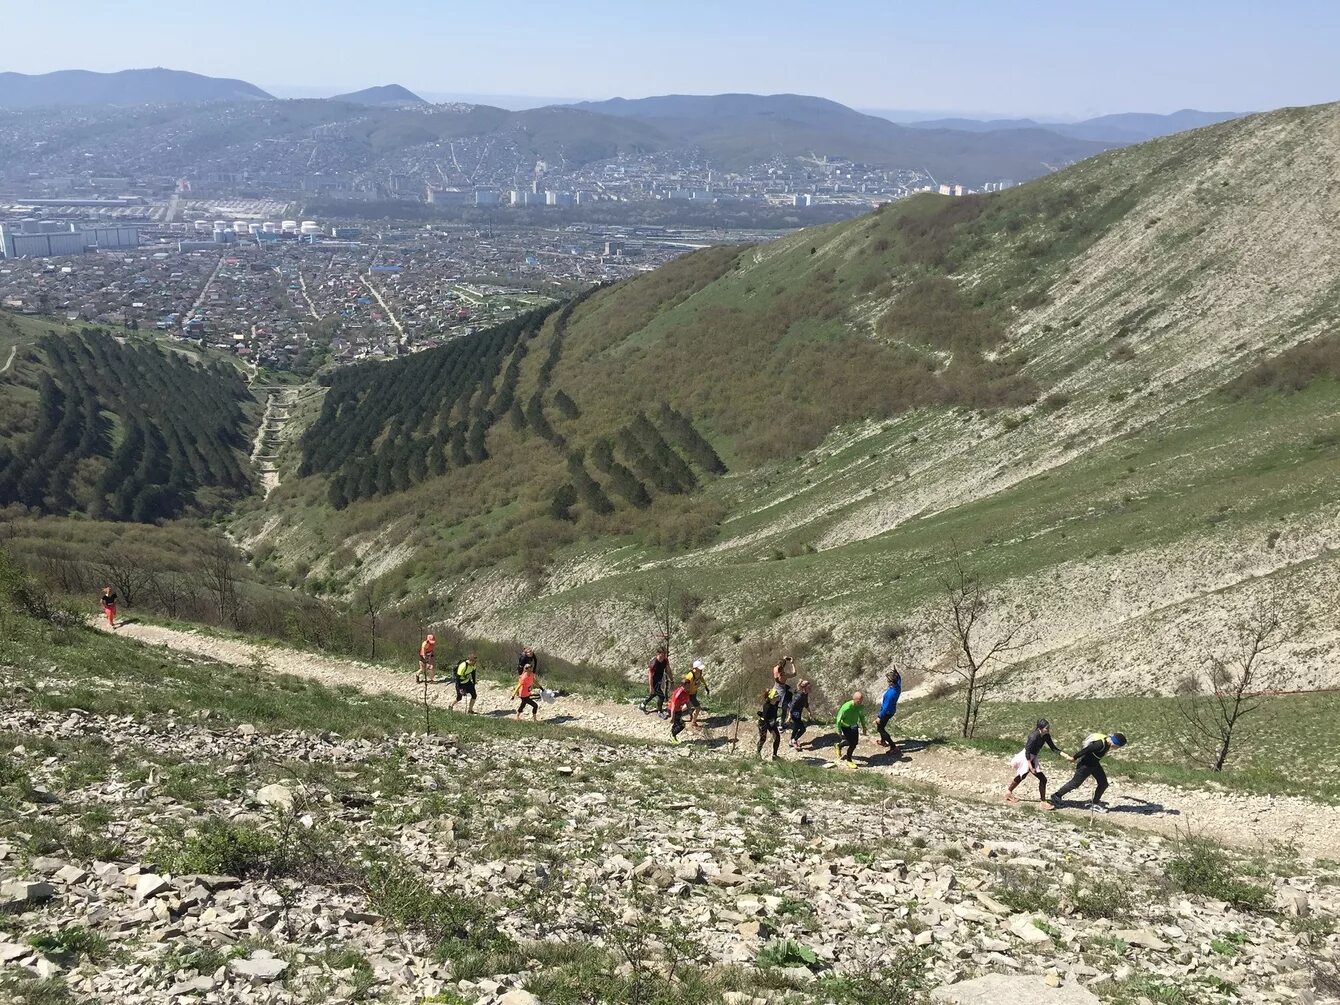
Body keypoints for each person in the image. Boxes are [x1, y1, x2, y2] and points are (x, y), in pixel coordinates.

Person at [1046, 732, 1128, 811]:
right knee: (1075, 783)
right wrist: (1074, 758)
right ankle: (1056, 796)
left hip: (1094, 765)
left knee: (1103, 783)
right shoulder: (1100, 745)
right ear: (1115, 743)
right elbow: (1085, 750)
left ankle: (1095, 803)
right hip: (1085, 766)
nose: (1117, 749)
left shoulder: (1108, 743)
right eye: (1118, 747)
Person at [1006, 718, 1073, 804]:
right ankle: (1043, 801)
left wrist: (1066, 756)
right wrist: (1030, 766)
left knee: (1022, 776)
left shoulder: (1046, 736)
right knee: (1042, 779)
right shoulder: (1033, 736)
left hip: (1032, 757)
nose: (1048, 729)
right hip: (1027, 757)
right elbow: (1028, 751)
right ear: (1040, 728)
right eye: (1046, 728)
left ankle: (1008, 792)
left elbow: (1053, 748)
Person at [834, 691, 867, 767]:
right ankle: (849, 760)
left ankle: (839, 745)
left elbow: (862, 716)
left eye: (861, 700)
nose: (860, 702)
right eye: (859, 700)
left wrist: (864, 727)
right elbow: (838, 718)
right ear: (854, 699)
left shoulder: (860, 706)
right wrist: (838, 729)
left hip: (854, 725)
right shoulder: (846, 707)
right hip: (845, 726)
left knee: (854, 743)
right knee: (851, 743)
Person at [640, 645, 670, 717]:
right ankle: (660, 711)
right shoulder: (654, 663)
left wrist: (671, 679)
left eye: (665, 653)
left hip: (659, 680)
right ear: (658, 653)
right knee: (662, 697)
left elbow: (668, 669)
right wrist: (651, 687)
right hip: (654, 682)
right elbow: (650, 676)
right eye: (662, 653)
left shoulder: (665, 660)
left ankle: (642, 705)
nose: (664, 655)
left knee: (653, 694)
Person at [876, 670, 902, 755]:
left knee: (880, 729)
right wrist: (896, 672)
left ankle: (893, 746)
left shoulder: (890, 694)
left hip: (887, 712)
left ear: (891, 682)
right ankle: (882, 741)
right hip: (891, 710)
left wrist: (879, 717)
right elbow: (899, 678)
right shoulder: (897, 686)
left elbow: (886, 707)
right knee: (881, 726)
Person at [756, 686, 782, 759]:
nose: (778, 697)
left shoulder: (776, 702)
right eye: (776, 696)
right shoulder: (767, 707)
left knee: (777, 738)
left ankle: (774, 755)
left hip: (772, 722)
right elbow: (766, 719)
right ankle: (757, 754)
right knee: (763, 739)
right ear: (772, 698)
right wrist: (771, 731)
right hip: (764, 723)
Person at [685, 660, 710, 729]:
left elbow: (701, 678)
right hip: (689, 694)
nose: (701, 669)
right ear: (695, 668)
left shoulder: (699, 672)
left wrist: (706, 686)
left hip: (694, 692)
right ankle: (693, 722)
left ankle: (675, 712)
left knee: (688, 705)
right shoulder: (690, 676)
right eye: (699, 668)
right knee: (698, 708)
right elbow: (684, 686)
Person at [788, 679, 812, 751]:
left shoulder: (805, 694)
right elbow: (792, 706)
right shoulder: (799, 696)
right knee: (802, 729)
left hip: (798, 713)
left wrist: (809, 712)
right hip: (794, 714)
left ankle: (791, 740)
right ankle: (793, 740)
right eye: (809, 688)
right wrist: (789, 717)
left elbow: (806, 703)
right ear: (804, 688)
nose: (810, 689)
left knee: (796, 727)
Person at [771, 656, 796, 722]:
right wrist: (792, 663)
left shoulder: (775, 668)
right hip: (781, 690)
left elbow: (780, 665)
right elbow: (794, 673)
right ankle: (782, 722)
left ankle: (771, 719)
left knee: (771, 704)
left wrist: (784, 660)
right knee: (784, 707)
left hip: (775, 688)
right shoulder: (784, 675)